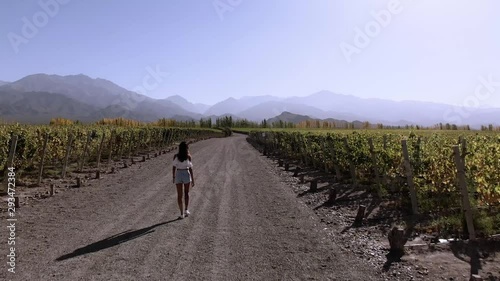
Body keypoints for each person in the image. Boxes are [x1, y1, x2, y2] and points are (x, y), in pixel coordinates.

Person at [172, 141, 195, 219]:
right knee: (186, 193)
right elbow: (190, 168)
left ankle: (181, 213)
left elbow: (174, 167)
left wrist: (174, 177)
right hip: (186, 173)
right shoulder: (188, 156)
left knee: (179, 195)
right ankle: (186, 209)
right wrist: (193, 179)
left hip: (178, 173)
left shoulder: (176, 156)